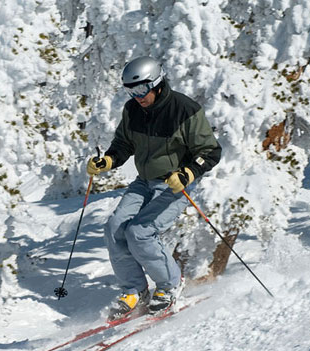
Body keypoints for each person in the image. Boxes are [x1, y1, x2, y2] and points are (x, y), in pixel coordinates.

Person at [87, 56, 221, 321]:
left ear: (157, 84)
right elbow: (123, 144)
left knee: (140, 232)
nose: (136, 97)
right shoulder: (133, 110)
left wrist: (188, 173)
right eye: (130, 91)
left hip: (173, 186)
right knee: (114, 227)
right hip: (144, 182)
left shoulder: (185, 110)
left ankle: (169, 286)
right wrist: (108, 161)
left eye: (140, 90)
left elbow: (210, 151)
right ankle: (135, 291)